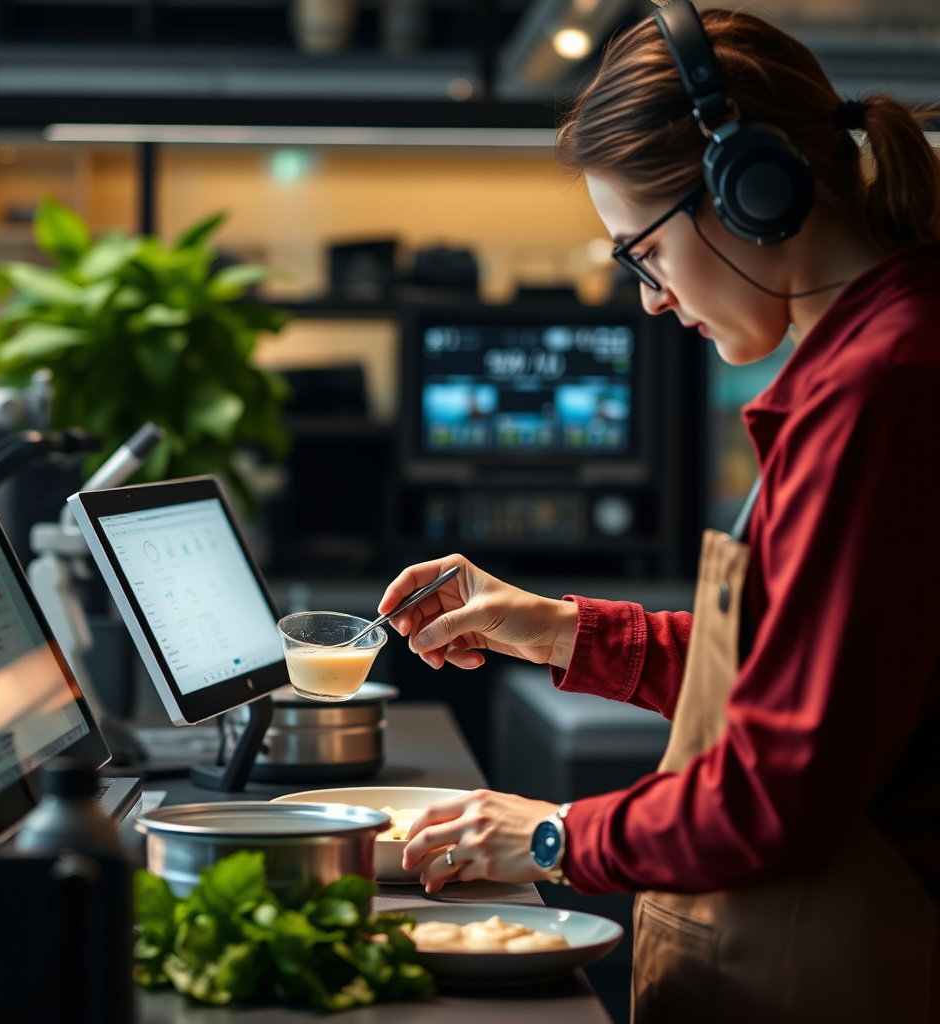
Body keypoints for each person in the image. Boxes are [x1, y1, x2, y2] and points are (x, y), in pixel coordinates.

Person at [377, 4, 940, 1022]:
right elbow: (807, 675)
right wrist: (556, 627)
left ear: (748, 191)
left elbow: (778, 790)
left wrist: (551, 835)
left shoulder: (881, 387)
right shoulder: (870, 359)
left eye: (641, 253)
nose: (648, 300)